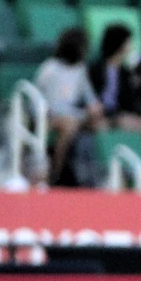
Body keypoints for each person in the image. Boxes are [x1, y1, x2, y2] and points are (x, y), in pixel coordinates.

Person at [29, 27, 102, 184]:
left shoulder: (81, 70)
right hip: (49, 116)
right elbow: (38, 100)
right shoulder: (50, 68)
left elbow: (91, 100)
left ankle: (94, 173)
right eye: (83, 47)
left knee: (99, 124)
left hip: (72, 115)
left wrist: (95, 108)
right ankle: (55, 172)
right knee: (69, 125)